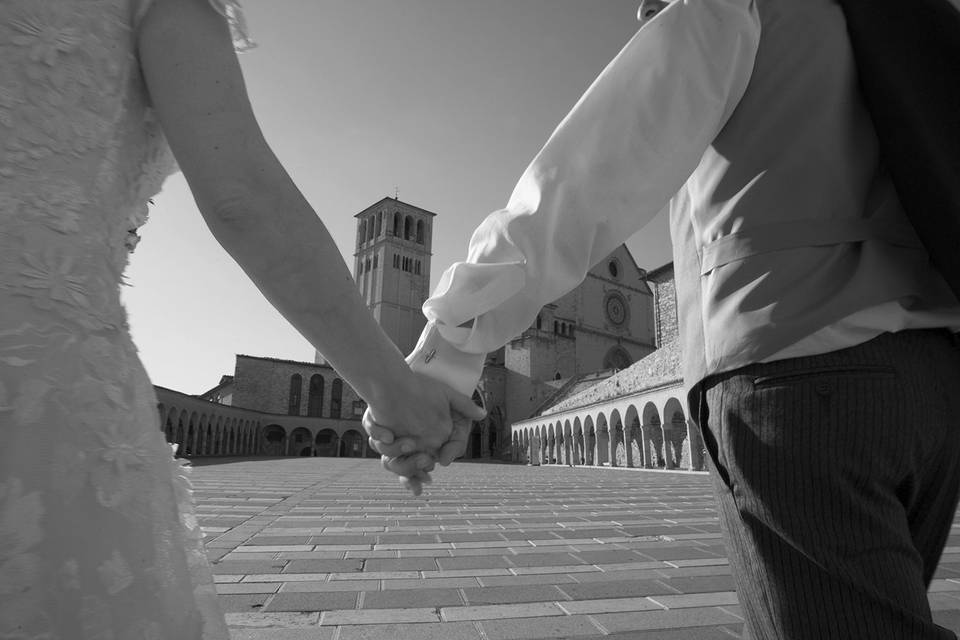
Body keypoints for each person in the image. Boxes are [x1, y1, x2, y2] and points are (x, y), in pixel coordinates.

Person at [367, 0, 960, 637]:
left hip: (796, 367)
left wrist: (451, 343)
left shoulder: (736, 8)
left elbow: (588, 173)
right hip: (932, 382)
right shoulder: (916, 19)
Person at [0, 0, 482, 637]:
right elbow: (241, 199)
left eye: (408, 231)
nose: (401, 235)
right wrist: (392, 388)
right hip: (43, 387)